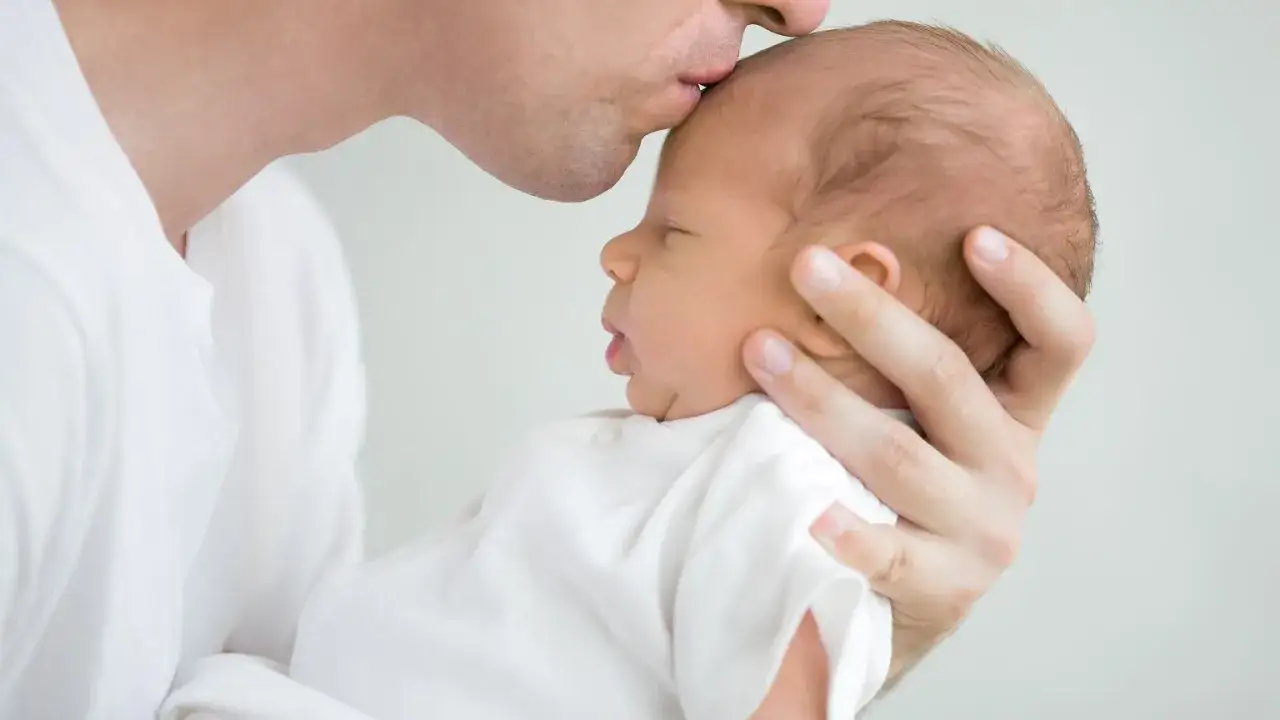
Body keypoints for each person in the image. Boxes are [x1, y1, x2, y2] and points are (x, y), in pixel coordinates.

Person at [0, 0, 1096, 718]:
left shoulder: (280, 286)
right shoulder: (31, 283)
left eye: (672, 234)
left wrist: (844, 623)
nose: (798, 8)